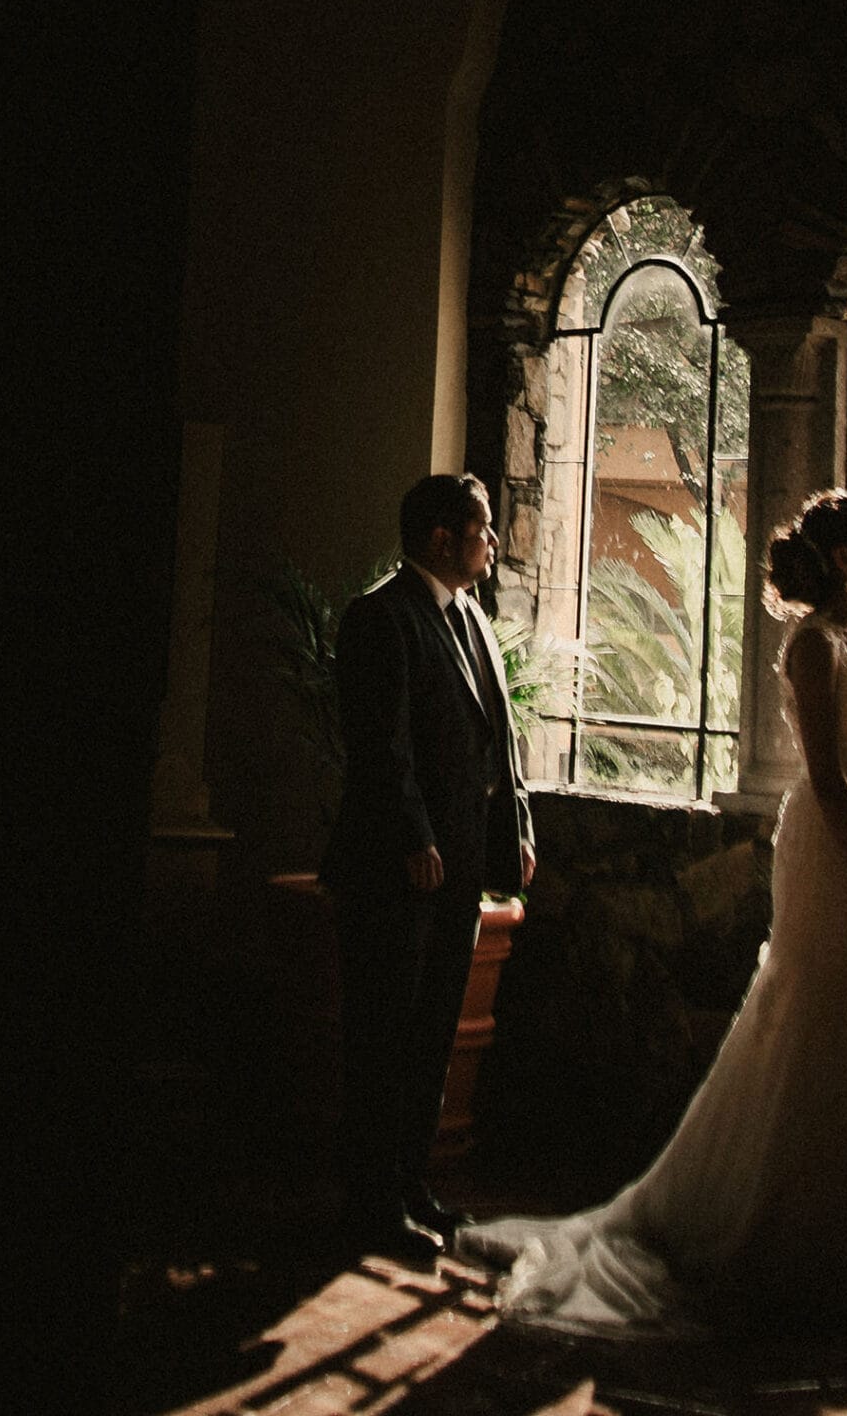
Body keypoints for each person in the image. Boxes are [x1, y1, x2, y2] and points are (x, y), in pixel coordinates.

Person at [460, 488, 847, 1333]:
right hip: (828, 849)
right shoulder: (809, 647)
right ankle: (766, 1227)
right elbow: (831, 777)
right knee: (813, 1010)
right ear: (842, 560)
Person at [320, 472, 536, 1264]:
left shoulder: (470, 618)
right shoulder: (379, 618)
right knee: (384, 1038)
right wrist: (415, 838)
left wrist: (513, 832)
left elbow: (495, 738)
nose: (492, 540)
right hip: (394, 870)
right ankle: (369, 1203)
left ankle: (411, 1187)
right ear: (440, 538)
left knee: (432, 1036)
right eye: (481, 528)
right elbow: (382, 744)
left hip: (459, 868)